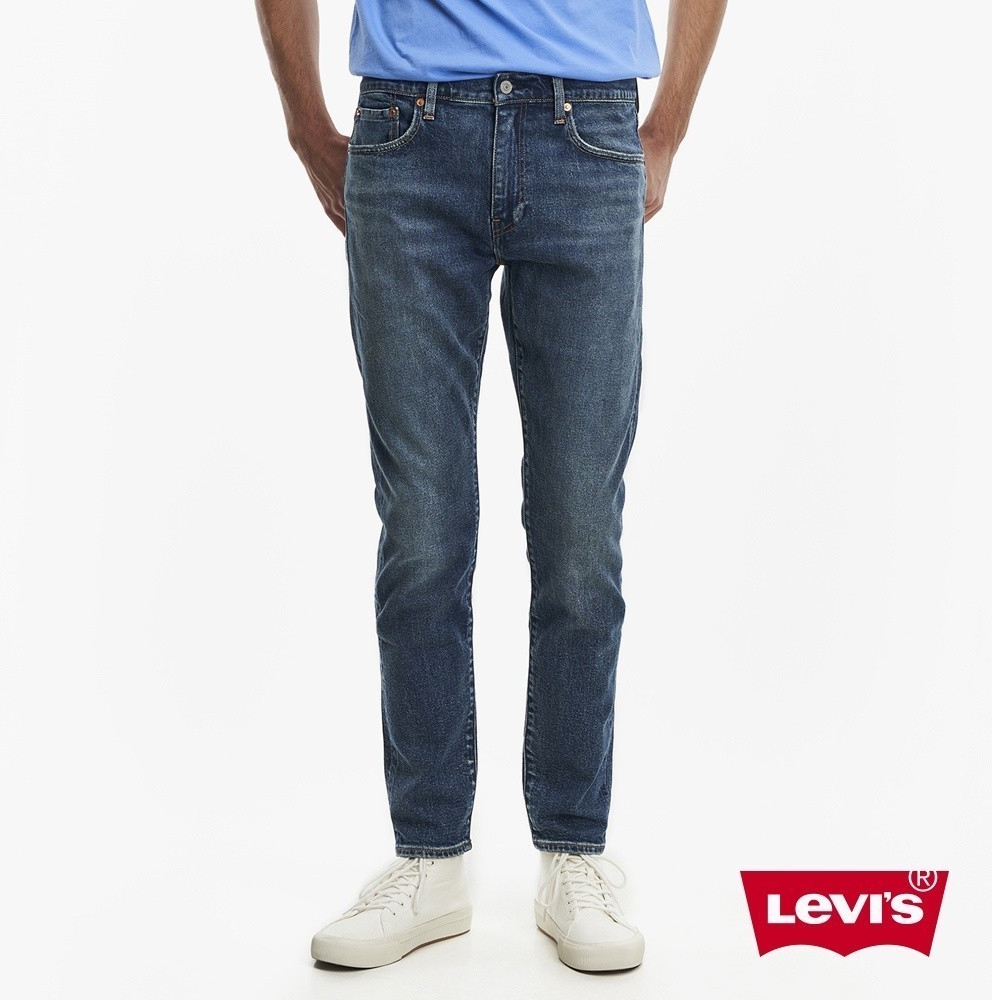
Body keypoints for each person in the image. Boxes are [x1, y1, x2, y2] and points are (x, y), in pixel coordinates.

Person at [256, 0, 727, 973]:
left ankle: (575, 850)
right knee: (422, 529)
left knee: (579, 531)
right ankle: (428, 858)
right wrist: (305, 124)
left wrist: (669, 124)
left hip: (587, 127)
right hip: (408, 130)